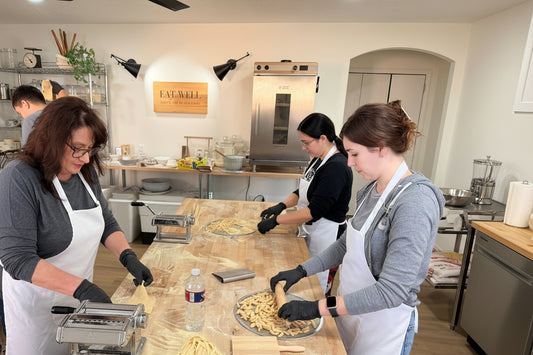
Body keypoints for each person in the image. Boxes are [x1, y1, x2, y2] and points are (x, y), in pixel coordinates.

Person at [269, 100, 445, 355]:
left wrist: (317, 307)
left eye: (354, 154)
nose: (349, 163)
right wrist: (301, 270)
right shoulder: (370, 190)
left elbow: (392, 291)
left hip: (383, 327)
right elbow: (346, 244)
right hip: (350, 312)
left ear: (381, 148)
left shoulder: (415, 202)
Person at [0, 96, 153, 355]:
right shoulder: (18, 178)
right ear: (51, 139)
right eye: (78, 148)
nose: (84, 157)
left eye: (90, 149)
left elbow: (105, 220)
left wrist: (128, 257)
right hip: (37, 309)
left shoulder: (84, 171)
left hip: (79, 303)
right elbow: (17, 259)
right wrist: (82, 288)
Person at [257, 112, 353, 295]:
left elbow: (313, 211)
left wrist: (277, 220)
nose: (303, 147)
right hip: (314, 230)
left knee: (318, 287)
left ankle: (322, 320)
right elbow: (303, 191)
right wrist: (281, 206)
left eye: (306, 142)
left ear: (323, 138)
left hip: (328, 236)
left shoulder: (337, 167)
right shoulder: (319, 159)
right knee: (307, 279)